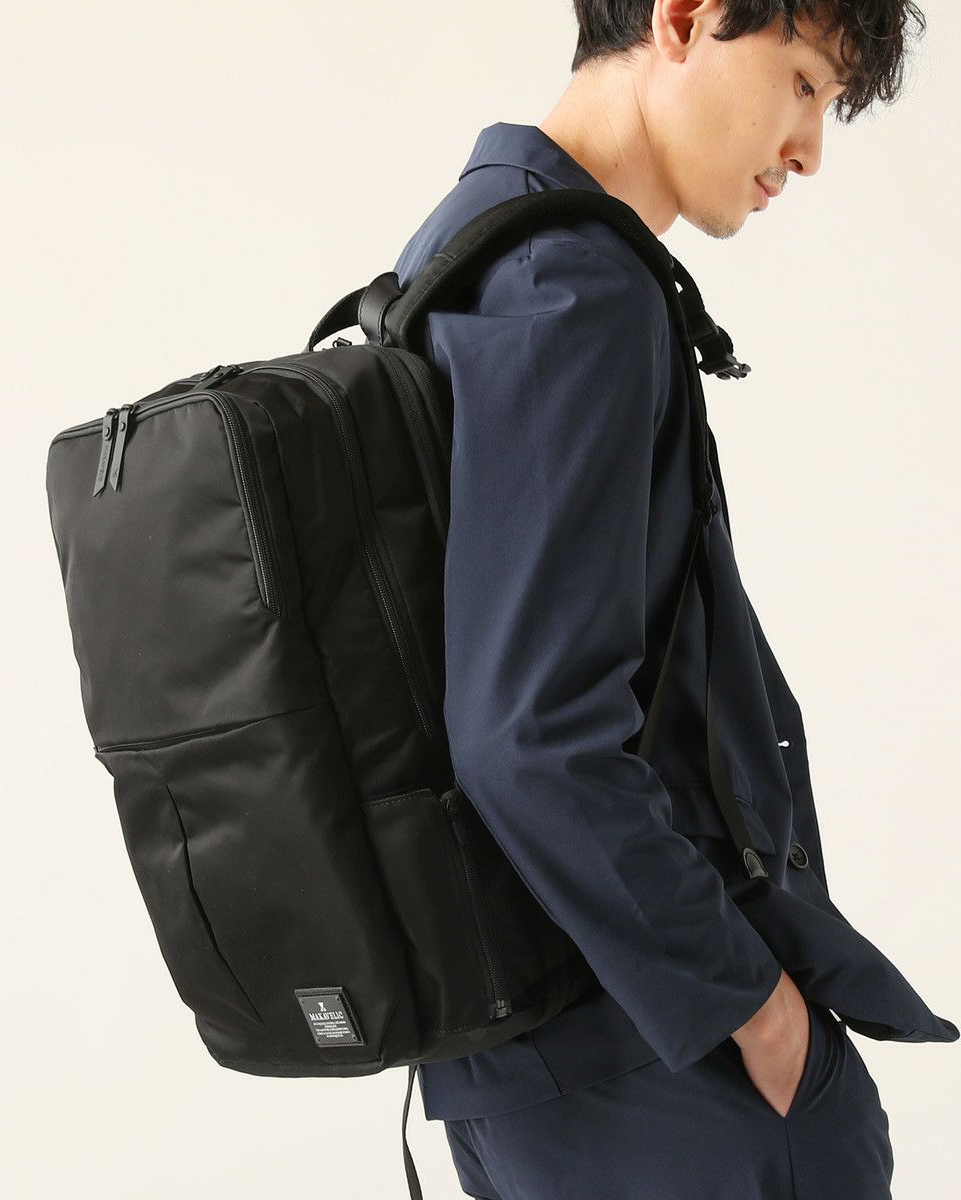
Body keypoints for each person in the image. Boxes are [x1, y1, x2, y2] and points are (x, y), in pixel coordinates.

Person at [391, 2, 956, 1197]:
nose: (809, 150)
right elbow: (528, 736)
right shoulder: (569, 283)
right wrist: (753, 1010)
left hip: (533, 1063)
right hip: (660, 1069)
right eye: (801, 83)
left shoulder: (465, 246)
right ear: (685, 19)